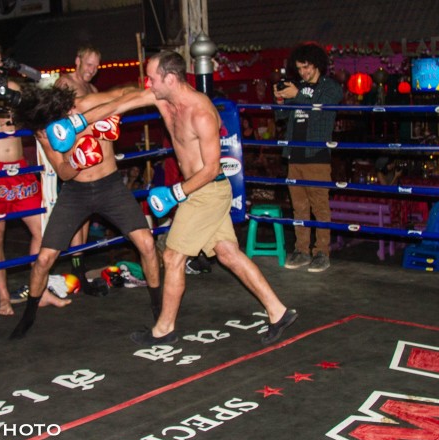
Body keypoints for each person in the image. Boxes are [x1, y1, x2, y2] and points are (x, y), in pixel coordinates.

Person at [78, 50, 298, 346]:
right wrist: (77, 122)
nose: (148, 83)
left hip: (207, 191)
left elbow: (211, 169)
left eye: (152, 78)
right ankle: (278, 311)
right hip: (197, 192)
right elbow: (121, 102)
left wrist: (176, 193)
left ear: (170, 78)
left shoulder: (201, 112)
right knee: (227, 253)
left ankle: (164, 329)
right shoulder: (162, 98)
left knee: (172, 256)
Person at [9, 84, 162, 339]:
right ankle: (29, 314)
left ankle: (158, 307)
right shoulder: (45, 131)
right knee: (44, 259)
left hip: (111, 187)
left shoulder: (87, 104)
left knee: (146, 244)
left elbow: (127, 91)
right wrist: (76, 161)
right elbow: (62, 171)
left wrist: (109, 114)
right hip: (75, 193)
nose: (45, 131)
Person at [0, 42, 69, 315]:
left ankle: (38, 291)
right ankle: (4, 297)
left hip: (19, 169)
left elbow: (39, 102)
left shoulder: (14, 88)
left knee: (43, 230)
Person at [273, 42, 343, 273]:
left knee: (320, 207)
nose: (303, 72)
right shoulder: (298, 87)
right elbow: (281, 116)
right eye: (300, 68)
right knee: (299, 207)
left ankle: (322, 252)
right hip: (295, 154)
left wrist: (297, 94)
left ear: (317, 64)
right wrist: (280, 99)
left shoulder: (330, 87)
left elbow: (323, 106)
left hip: (317, 155)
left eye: (306, 67)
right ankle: (301, 250)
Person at [53, 45, 105, 294]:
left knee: (85, 218)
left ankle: (79, 268)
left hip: (90, 158)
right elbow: (55, 120)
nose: (92, 70)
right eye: (88, 64)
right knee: (76, 218)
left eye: (96, 66)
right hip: (72, 159)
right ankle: (76, 271)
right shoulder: (65, 83)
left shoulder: (93, 90)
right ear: (78, 61)